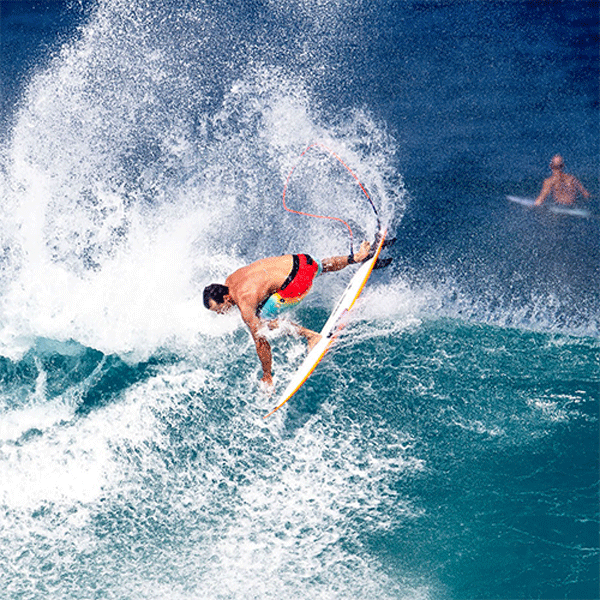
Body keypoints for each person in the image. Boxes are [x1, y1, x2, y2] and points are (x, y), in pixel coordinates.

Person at [203, 240, 372, 385]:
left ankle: (310, 336)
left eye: (218, 309)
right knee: (318, 266)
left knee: (263, 322)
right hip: (303, 261)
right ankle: (356, 257)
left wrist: (267, 374)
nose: (220, 313)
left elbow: (261, 343)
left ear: (226, 298)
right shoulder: (231, 280)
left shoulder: (245, 304)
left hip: (299, 283)